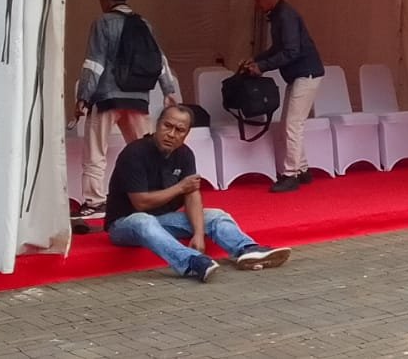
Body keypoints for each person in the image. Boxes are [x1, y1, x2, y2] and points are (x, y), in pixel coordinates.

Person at [106, 104, 292, 282]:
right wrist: (180, 188)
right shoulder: (135, 153)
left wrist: (198, 233)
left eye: (179, 130)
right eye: (167, 126)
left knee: (216, 215)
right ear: (157, 125)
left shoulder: (185, 154)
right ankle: (192, 262)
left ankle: (248, 250)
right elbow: (141, 203)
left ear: (186, 134)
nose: (171, 134)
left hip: (162, 219)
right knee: (142, 220)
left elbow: (192, 194)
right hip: (124, 224)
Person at [74, 0, 182, 220]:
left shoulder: (102, 22)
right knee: (147, 149)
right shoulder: (143, 23)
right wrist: (169, 90)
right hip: (137, 98)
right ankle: (154, 196)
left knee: (95, 151)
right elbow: (159, 59)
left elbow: (95, 62)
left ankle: (95, 202)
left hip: (107, 98)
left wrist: (83, 97)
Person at [240, 0, 325, 193]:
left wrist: (262, 66)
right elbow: (279, 48)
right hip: (301, 74)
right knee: (291, 123)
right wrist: (258, 60)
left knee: (292, 124)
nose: (256, 4)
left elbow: (291, 51)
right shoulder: (280, 14)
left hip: (305, 74)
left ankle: (290, 175)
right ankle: (302, 169)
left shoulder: (285, 16)